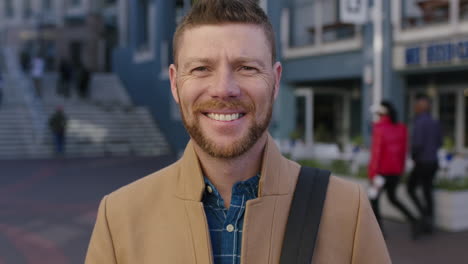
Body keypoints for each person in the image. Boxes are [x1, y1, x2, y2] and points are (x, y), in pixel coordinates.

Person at [85, 1, 390, 263]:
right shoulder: (119, 217)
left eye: (247, 67)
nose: (224, 89)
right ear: (175, 83)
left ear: (276, 80)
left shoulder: (348, 210)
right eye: (201, 68)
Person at [368, 101, 419, 239]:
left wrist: (372, 173)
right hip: (395, 172)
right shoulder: (401, 128)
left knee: (374, 199)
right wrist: (401, 171)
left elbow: (376, 153)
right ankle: (414, 220)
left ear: (381, 114)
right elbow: (404, 152)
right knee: (392, 198)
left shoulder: (379, 128)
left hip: (381, 173)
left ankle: (379, 231)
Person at [407, 95, 442, 234]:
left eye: (417, 105)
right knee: (427, 191)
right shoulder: (435, 122)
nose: (415, 107)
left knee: (411, 188)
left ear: (422, 107)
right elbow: (440, 142)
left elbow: (417, 144)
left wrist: (414, 157)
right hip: (433, 161)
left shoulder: (419, 122)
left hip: (422, 162)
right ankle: (429, 220)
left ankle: (424, 218)